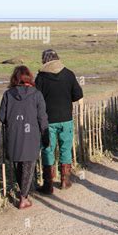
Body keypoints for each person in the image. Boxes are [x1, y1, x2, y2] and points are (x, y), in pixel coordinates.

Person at [0, 66, 49, 209]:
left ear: (15, 78)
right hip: (31, 136)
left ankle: (24, 194)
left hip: (14, 136)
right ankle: (23, 198)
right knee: (28, 167)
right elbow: (42, 118)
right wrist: (45, 135)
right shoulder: (37, 95)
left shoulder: (8, 94)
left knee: (19, 167)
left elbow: (1, 117)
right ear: (29, 77)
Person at [35, 49, 83, 194]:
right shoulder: (68, 74)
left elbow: (36, 99)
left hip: (48, 121)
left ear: (44, 60)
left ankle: (48, 185)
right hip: (66, 119)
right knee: (65, 149)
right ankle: (65, 181)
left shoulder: (41, 77)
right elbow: (77, 94)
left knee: (48, 149)